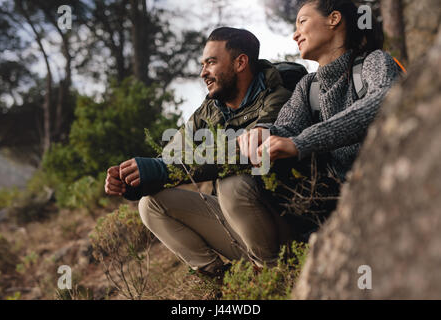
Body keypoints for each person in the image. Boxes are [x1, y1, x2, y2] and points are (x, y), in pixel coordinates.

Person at [104, 27, 299, 279]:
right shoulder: (209, 110)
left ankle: (275, 278)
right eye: (202, 64)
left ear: (240, 62)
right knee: (150, 204)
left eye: (211, 62)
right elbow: (170, 158)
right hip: (239, 228)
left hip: (285, 231)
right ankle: (221, 280)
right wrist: (134, 180)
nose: (202, 73)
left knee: (233, 183)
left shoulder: (278, 97)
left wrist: (163, 170)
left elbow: (247, 153)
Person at [237, 0, 400, 255]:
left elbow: (382, 102)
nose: (295, 34)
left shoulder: (374, 61)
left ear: (334, 19)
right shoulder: (307, 86)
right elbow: (287, 128)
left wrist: (302, 142)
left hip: (389, 186)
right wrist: (264, 132)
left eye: (302, 21)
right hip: (337, 201)